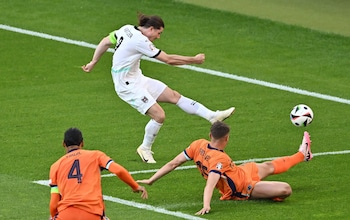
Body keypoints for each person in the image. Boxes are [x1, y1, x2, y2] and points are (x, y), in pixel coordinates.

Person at [82, 13, 235, 163]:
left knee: (174, 96)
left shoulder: (126, 28)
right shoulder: (140, 40)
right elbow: (168, 59)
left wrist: (93, 61)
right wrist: (193, 60)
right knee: (159, 116)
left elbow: (104, 42)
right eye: (159, 33)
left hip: (137, 78)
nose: (158, 37)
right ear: (151, 29)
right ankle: (145, 148)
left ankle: (212, 116)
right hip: (127, 86)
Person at [137, 121, 313, 215]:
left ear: (210, 135)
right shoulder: (220, 159)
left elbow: (173, 163)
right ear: (226, 138)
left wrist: (152, 179)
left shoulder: (198, 144)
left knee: (267, 166)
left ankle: (302, 154)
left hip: (240, 171)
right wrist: (206, 205)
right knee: (285, 189)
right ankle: (263, 194)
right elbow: (211, 184)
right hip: (241, 188)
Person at [49, 128, 148, 220]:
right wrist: (135, 186)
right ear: (82, 143)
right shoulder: (96, 156)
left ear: (63, 144)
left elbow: (53, 205)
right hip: (92, 213)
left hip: (66, 215)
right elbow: (119, 171)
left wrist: (54, 217)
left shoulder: (55, 166)